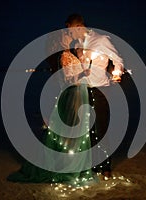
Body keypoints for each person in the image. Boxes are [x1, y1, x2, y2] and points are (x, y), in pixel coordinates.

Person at [7, 30, 95, 186]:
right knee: (68, 132)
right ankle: (64, 165)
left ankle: (73, 165)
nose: (83, 51)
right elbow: (68, 79)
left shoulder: (77, 59)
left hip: (79, 98)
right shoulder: (66, 57)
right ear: (73, 47)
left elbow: (81, 78)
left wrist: (85, 69)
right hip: (71, 98)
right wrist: (83, 74)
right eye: (81, 48)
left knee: (76, 133)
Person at [64, 13, 124, 178]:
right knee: (89, 130)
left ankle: (106, 167)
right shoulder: (79, 43)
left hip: (101, 90)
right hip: (85, 90)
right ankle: (94, 164)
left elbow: (118, 59)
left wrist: (117, 73)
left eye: (70, 31)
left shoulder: (101, 39)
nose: (69, 34)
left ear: (77, 26)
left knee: (101, 129)